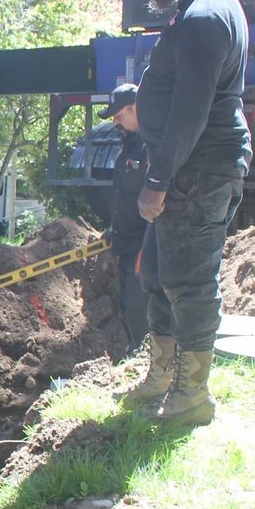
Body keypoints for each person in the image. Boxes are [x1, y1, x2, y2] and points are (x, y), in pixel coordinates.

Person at [125, 0, 251, 424]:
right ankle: (161, 377)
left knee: (189, 282)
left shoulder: (204, 17)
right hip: (184, 169)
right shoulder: (200, 9)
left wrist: (156, 182)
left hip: (198, 172)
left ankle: (193, 396)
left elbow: (191, 112)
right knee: (158, 273)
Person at [97, 82, 149, 355]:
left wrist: (147, 250)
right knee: (129, 308)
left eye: (120, 115)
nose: (115, 122)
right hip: (127, 247)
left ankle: (148, 367)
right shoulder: (128, 149)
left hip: (145, 249)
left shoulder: (153, 149)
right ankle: (137, 359)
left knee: (142, 312)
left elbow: (161, 207)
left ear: (136, 108)